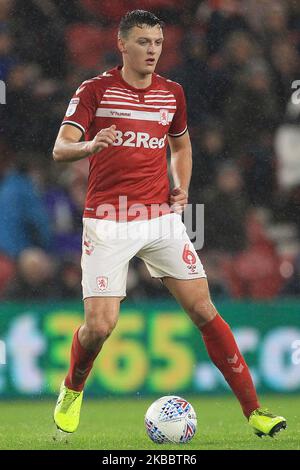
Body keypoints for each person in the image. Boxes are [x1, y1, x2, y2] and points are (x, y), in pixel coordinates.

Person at [52, 10, 286, 438]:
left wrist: (182, 187)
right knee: (101, 325)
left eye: (157, 43)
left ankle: (255, 411)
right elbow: (59, 148)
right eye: (143, 42)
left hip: (159, 217)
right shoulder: (95, 90)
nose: (152, 51)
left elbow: (180, 146)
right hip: (108, 219)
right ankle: (72, 387)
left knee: (203, 309)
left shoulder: (172, 93)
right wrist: (91, 144)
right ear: (122, 44)